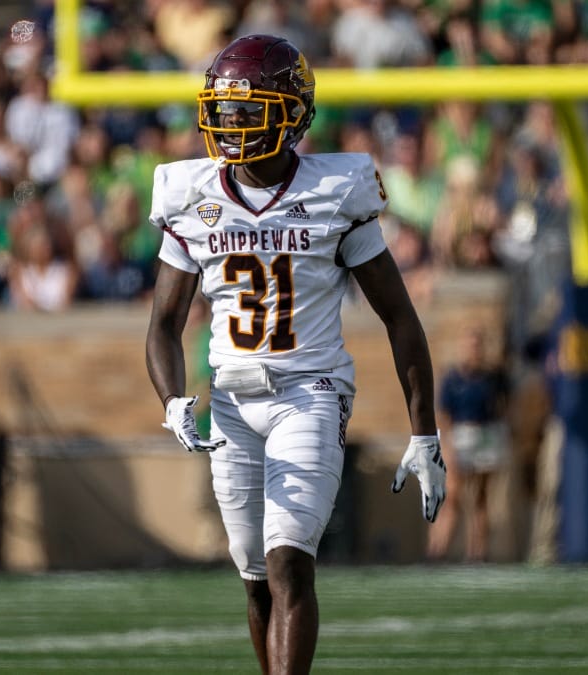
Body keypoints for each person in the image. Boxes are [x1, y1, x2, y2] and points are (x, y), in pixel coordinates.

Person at [145, 35, 446, 674]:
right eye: (223, 110)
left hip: (309, 392)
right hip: (231, 403)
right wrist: (171, 401)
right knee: (255, 577)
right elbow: (163, 324)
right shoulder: (190, 193)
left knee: (288, 562)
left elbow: (400, 318)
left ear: (292, 114)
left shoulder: (336, 189)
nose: (230, 124)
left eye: (247, 110)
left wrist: (424, 431)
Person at [426, 328, 511, 562]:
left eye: (477, 345)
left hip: (486, 436)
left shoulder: (494, 378)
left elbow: (505, 406)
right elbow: (444, 414)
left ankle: (477, 552)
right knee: (452, 495)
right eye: (469, 345)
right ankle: (437, 549)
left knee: (480, 497)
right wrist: (447, 445)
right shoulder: (453, 379)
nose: (474, 351)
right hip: (460, 436)